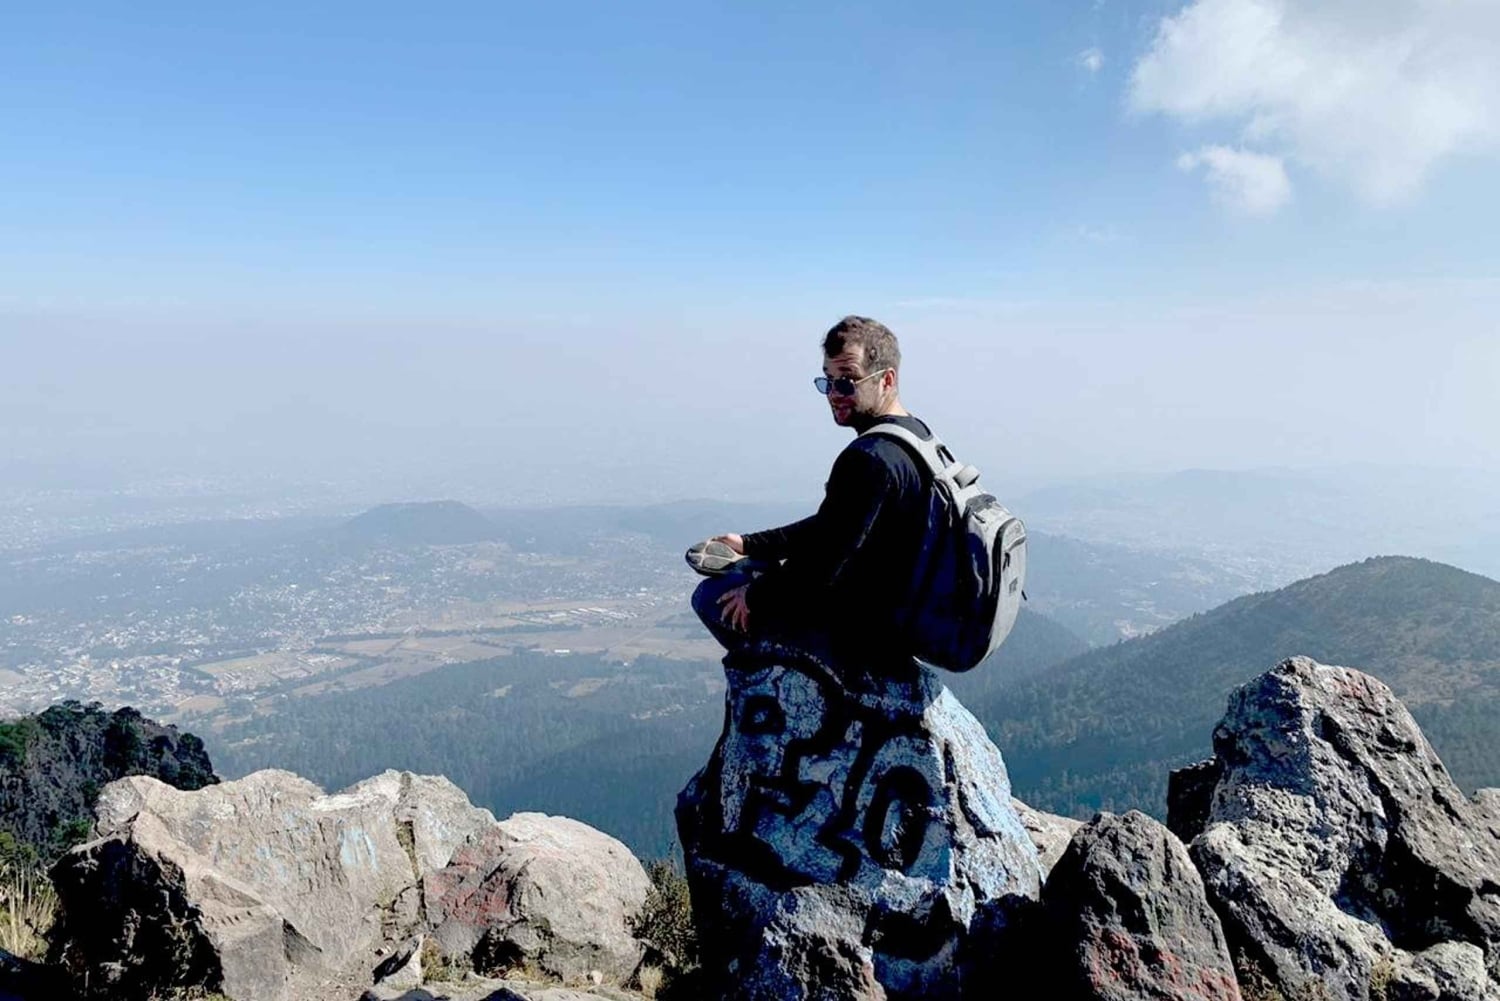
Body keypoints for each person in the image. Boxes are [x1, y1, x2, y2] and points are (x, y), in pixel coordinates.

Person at [691, 315, 935, 669]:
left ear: (887, 380)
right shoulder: (915, 437)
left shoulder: (871, 459)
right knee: (755, 563)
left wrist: (754, 597)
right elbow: (836, 526)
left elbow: (823, 564)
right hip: (898, 603)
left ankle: (785, 686)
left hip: (871, 625)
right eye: (828, 381)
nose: (835, 394)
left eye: (848, 382)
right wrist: (752, 543)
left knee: (714, 596)